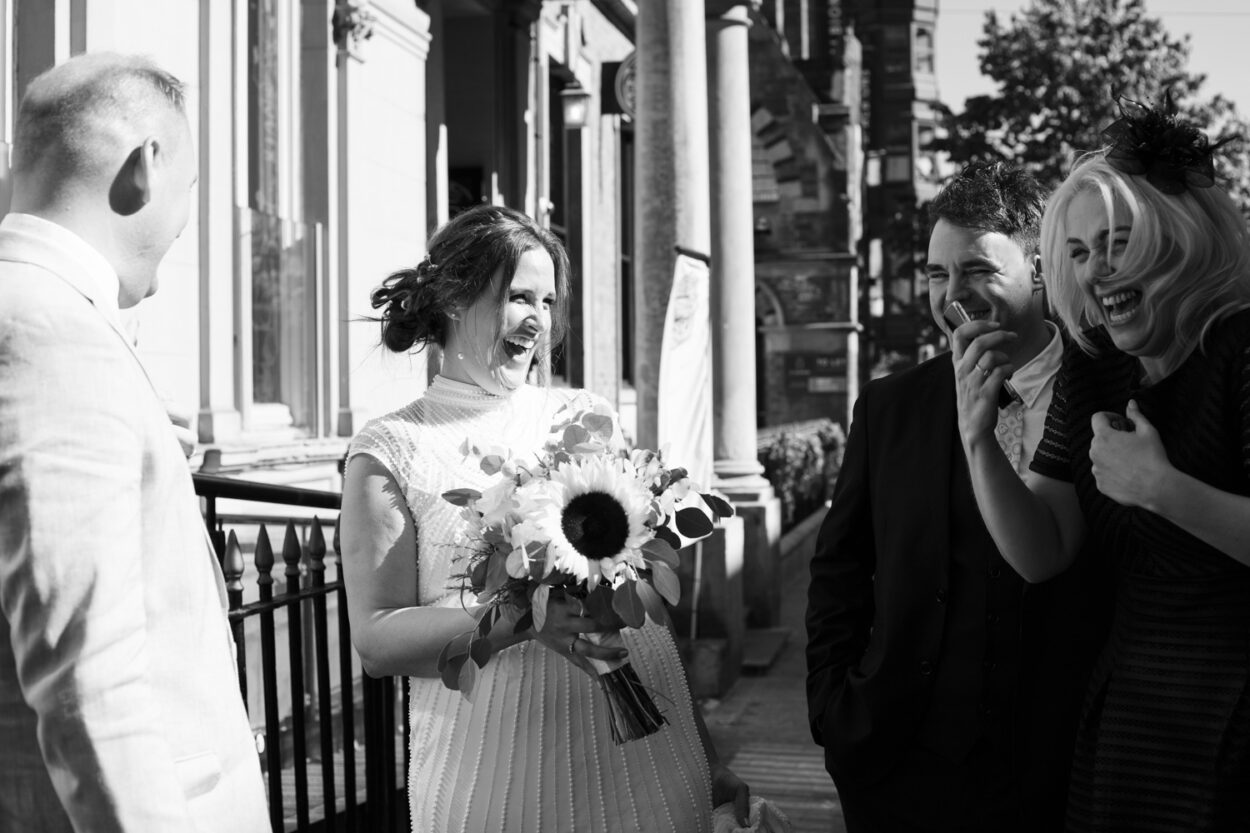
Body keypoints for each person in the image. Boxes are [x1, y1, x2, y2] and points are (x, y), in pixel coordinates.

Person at [339, 204, 748, 833]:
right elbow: (375, 638)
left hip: (647, 762)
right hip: (493, 773)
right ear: (453, 298)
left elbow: (648, 624)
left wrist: (708, 755)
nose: (538, 321)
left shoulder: (587, 414)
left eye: (548, 301)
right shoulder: (393, 448)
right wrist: (520, 617)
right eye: (518, 297)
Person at [954, 98, 1250, 832]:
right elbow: (1043, 551)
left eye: (1117, 242)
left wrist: (1161, 489)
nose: (1096, 270)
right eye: (1079, 253)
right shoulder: (1097, 370)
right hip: (1129, 730)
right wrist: (978, 441)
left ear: (1179, 238)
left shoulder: (1242, 351)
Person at [0, 54, 269, 831]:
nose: (185, 220)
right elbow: (90, 680)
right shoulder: (51, 333)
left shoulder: (40, 318)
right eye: (190, 191)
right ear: (145, 167)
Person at [806, 162, 1106, 832]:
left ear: (1037, 264)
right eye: (938, 274)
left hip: (1062, 776)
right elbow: (840, 569)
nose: (950, 297)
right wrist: (835, 709)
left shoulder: (1107, 392)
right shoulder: (890, 406)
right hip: (896, 769)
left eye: (974, 271)